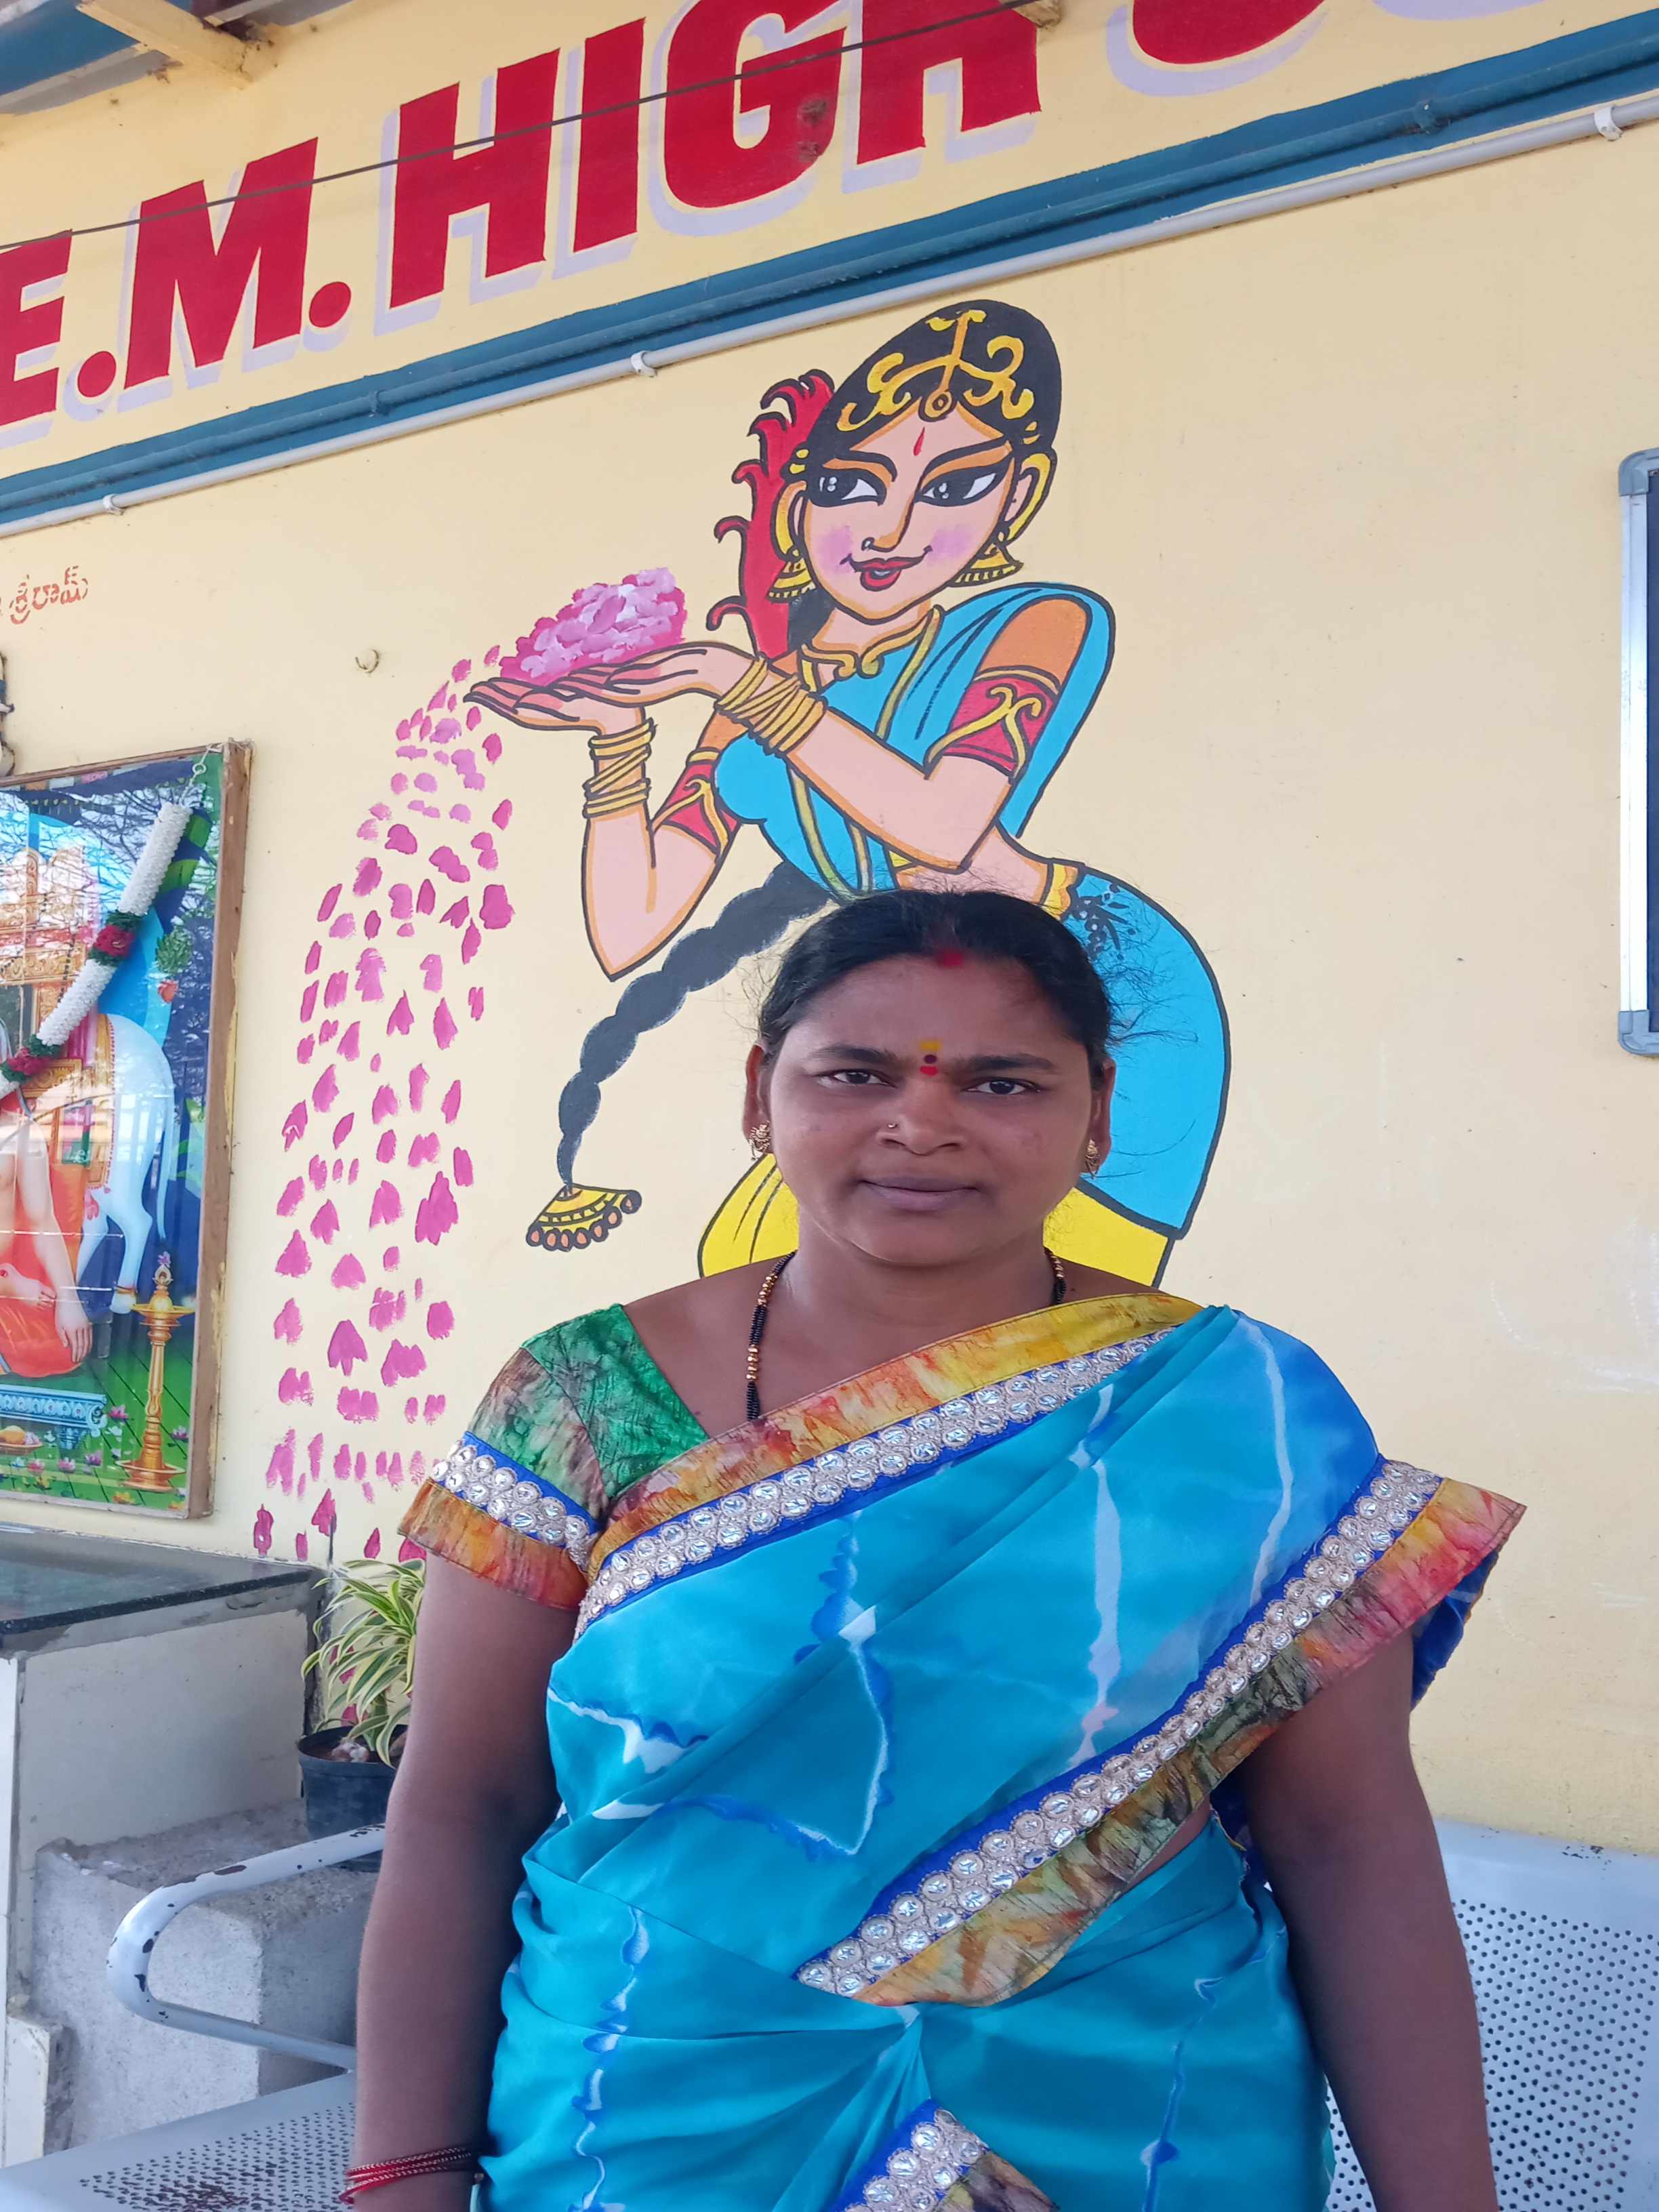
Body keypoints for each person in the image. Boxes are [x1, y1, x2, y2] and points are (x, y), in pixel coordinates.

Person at [356, 888, 1519, 2212]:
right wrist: (405, 2177)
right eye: (853, 1074)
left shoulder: (1238, 1418)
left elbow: (1348, 1840)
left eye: (1001, 1082)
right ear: (759, 1093)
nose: (921, 1125)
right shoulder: (583, 1401)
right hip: (659, 2122)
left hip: (1130, 2125)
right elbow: (463, 1806)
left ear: (1097, 1114)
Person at [466, 300, 1227, 1288]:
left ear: (1021, 496)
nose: (891, 529)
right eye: (851, 486)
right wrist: (619, 740)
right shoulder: (753, 699)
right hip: (904, 1017)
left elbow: (943, 826)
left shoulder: (1036, 623)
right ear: (797, 507)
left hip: (1095, 993)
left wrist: (735, 682)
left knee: (1037, 1318)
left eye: (954, 487)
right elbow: (629, 926)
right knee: (751, 1263)